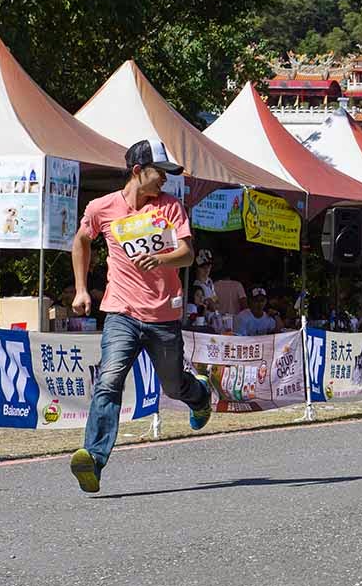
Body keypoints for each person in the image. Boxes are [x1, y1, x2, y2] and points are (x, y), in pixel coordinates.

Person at [69, 139, 211, 494]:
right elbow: (81, 241)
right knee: (109, 379)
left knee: (173, 385)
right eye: (160, 173)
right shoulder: (102, 208)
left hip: (163, 315)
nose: (165, 180)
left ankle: (200, 396)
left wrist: (162, 259)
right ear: (138, 171)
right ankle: (94, 459)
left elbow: (187, 255)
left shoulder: (171, 207)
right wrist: (81, 289)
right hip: (121, 312)